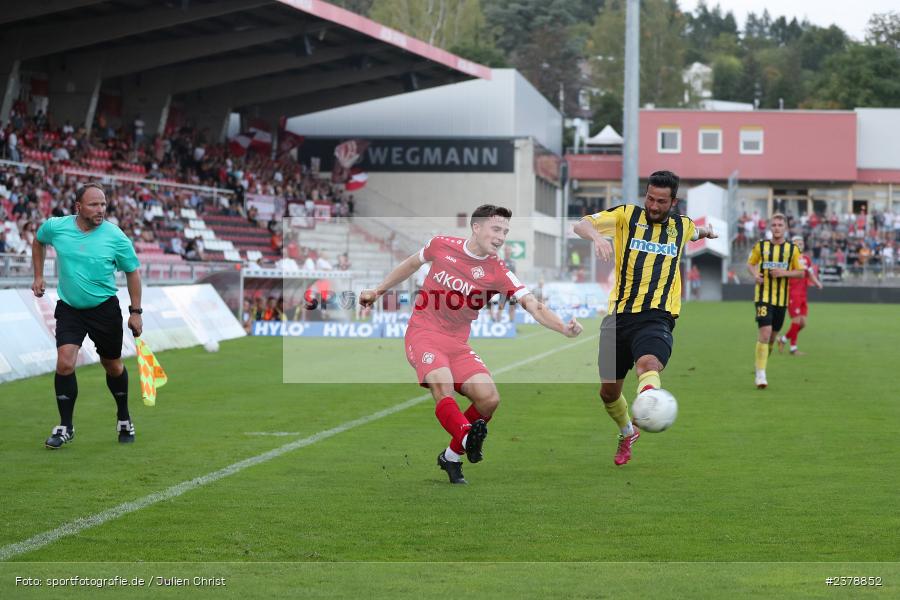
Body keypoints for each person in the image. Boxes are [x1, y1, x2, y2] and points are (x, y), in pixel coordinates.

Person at [359, 205, 583, 485]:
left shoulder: (499, 271)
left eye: (505, 231)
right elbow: (411, 264)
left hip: (457, 343)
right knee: (443, 386)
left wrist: (563, 327)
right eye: (496, 229)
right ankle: (467, 437)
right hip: (424, 333)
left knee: (489, 400)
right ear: (476, 228)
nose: (501, 237)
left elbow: (533, 306)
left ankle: (451, 456)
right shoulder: (441, 245)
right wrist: (377, 291)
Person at [573, 170, 717, 466]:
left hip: (657, 317)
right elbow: (581, 224)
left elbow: (695, 232)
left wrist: (708, 232)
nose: (653, 205)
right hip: (619, 318)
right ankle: (628, 431)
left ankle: (650, 402)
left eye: (661, 201)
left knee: (648, 364)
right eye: (650, 198)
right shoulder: (627, 215)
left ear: (673, 202)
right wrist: (597, 237)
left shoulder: (682, 226)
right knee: (608, 393)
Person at [31, 183, 143, 449]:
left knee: (113, 366)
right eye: (94, 204)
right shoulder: (56, 227)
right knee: (65, 363)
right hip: (70, 308)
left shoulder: (115, 236)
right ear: (78, 207)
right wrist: (38, 275)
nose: (100, 210)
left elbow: (133, 272)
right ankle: (65, 426)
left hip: (104, 309)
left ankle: (124, 417)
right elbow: (38, 241)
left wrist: (135, 312)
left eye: (103, 204)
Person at [746, 213, 805, 389]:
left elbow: (801, 272)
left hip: (781, 299)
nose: (777, 228)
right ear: (770, 227)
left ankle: (760, 365)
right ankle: (761, 375)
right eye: (774, 225)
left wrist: (784, 273)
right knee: (764, 332)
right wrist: (755, 275)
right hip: (763, 296)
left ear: (785, 227)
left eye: (780, 225)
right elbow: (750, 264)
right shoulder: (761, 246)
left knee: (771, 338)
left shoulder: (792, 249)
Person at [778, 235, 823, 355]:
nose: (800, 245)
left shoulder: (806, 259)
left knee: (802, 324)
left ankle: (782, 339)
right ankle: (793, 348)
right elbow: (782, 273)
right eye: (797, 243)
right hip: (792, 293)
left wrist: (817, 283)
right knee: (796, 321)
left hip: (803, 294)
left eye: (801, 243)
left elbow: (810, 274)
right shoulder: (788, 259)